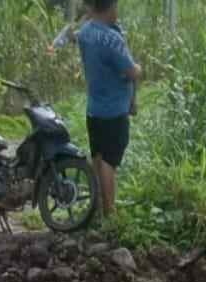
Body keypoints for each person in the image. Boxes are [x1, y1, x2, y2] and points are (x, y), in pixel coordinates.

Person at [76, 0, 141, 217]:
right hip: (114, 110)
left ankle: (94, 210)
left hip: (93, 108)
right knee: (109, 163)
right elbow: (131, 72)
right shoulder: (112, 40)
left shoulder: (84, 32)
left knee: (97, 158)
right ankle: (110, 214)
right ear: (110, 8)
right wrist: (138, 69)